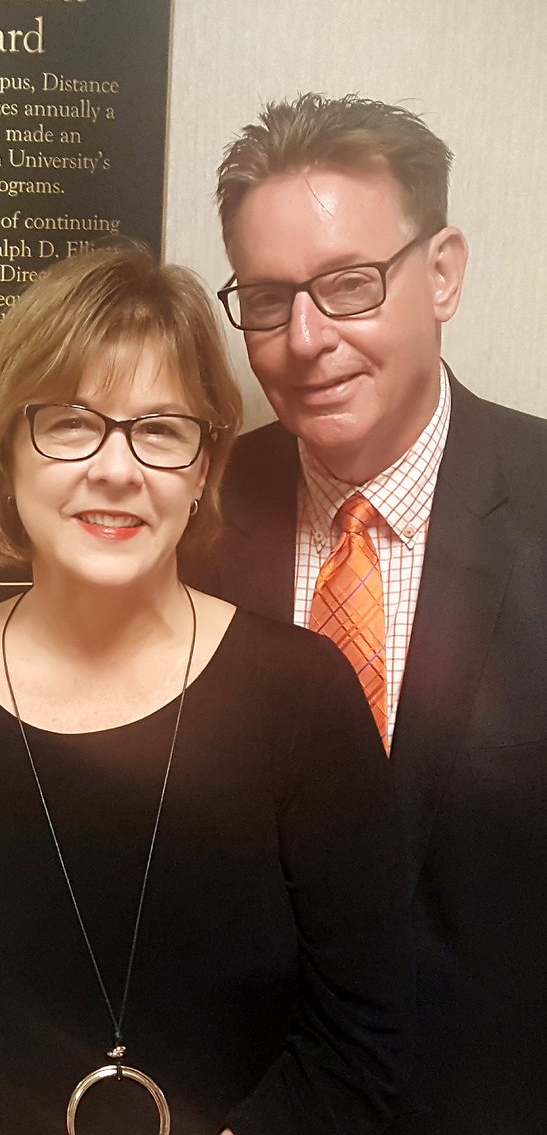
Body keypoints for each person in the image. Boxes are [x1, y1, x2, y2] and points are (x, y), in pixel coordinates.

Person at [0, 245, 412, 1135]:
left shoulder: (300, 697)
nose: (116, 468)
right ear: (6, 448)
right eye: (71, 422)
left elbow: (370, 1025)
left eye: (160, 428)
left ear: (199, 469)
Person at [201, 93, 547, 1134]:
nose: (307, 340)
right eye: (266, 300)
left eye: (349, 286)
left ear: (441, 273)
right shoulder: (197, 518)